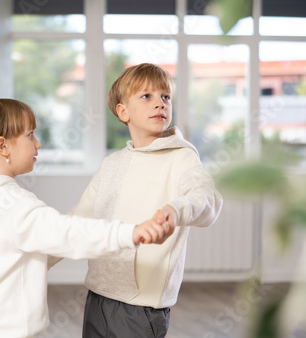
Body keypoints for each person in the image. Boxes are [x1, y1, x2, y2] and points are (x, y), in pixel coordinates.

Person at [0, 98, 176, 338]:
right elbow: (70, 233)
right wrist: (130, 233)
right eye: (30, 135)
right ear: (3, 146)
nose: (38, 143)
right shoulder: (16, 205)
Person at [68, 63, 224, 337]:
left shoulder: (182, 157)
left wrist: (176, 210)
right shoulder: (112, 164)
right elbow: (77, 220)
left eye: (165, 96)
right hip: (98, 296)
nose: (160, 104)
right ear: (123, 111)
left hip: (141, 309)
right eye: (146, 96)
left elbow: (207, 198)